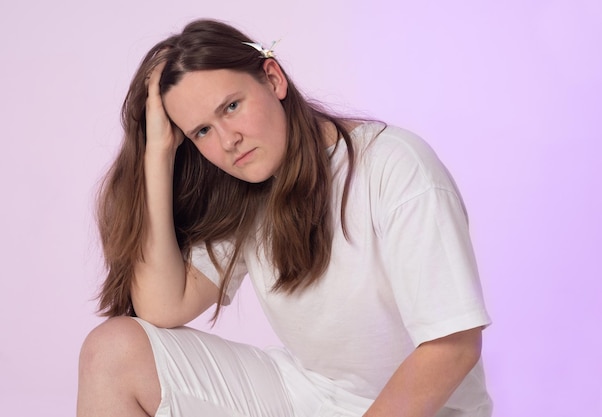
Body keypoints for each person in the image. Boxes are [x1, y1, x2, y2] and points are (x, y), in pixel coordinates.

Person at [77, 18, 492, 417]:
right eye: (201, 131)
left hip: (427, 410)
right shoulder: (247, 189)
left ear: (273, 79)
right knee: (113, 351)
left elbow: (452, 346)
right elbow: (162, 307)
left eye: (232, 106)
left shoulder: (394, 166)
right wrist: (157, 157)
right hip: (312, 394)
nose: (227, 140)